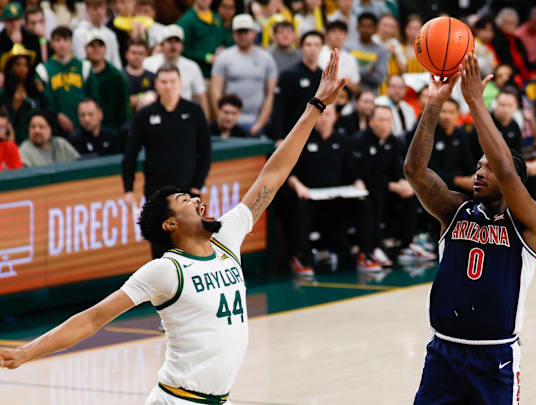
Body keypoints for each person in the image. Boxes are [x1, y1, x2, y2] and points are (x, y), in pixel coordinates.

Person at [0, 50, 349, 405]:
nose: (199, 201)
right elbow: (92, 319)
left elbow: (272, 176)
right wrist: (26, 352)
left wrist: (315, 106)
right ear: (170, 224)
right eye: (186, 201)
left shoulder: (227, 237)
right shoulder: (165, 271)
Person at [405, 54, 536, 404]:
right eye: (477, 166)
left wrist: (476, 103)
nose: (480, 172)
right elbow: (415, 172)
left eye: (488, 168)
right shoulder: (455, 211)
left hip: (494, 359)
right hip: (444, 355)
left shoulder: (527, 223)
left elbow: (508, 171)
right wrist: (434, 105)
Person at [122, 63, 212, 258]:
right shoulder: (145, 115)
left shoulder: (194, 111)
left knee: (192, 246)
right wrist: (128, 189)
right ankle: (163, 289)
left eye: (172, 82)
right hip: (157, 196)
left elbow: (205, 151)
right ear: (156, 84)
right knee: (161, 249)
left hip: (188, 194)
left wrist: (197, 185)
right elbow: (130, 154)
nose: (168, 86)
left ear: (180, 84)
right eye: (163, 82)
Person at [285, 101, 380, 276]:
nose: (323, 119)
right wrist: (298, 187)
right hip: (311, 197)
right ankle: (301, 257)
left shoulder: (344, 142)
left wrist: (358, 182)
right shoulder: (303, 140)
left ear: (335, 118)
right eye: (320, 115)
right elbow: (290, 174)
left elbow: (353, 173)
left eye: (328, 115)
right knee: (300, 206)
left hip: (337, 198)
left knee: (364, 203)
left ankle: (365, 254)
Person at [352, 104, 435, 265]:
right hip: (367, 190)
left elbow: (398, 168)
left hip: (388, 188)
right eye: (381, 120)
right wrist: (392, 186)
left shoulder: (394, 141)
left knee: (411, 196)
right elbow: (364, 175)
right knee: (376, 198)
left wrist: (404, 183)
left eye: (388, 120)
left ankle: (406, 245)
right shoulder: (359, 141)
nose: (385, 125)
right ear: (371, 122)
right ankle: (373, 248)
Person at [211, 14, 278, 135]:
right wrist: (223, 120)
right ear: (233, 34)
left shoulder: (266, 58)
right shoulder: (224, 57)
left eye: (245, 32)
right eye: (238, 32)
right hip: (230, 122)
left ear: (253, 33)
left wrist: (260, 123)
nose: (242, 36)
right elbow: (216, 91)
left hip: (256, 121)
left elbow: (270, 94)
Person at [36, 26, 100, 134]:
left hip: (83, 125)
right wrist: (56, 115)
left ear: (71, 42)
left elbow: (93, 97)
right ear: (51, 44)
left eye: (65, 40)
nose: (61, 44)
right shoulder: (43, 70)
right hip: (55, 127)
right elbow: (44, 102)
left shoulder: (84, 66)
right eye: (57, 40)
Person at [143, 25, 209, 117]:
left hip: (184, 114)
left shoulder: (192, 67)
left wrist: (205, 121)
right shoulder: (148, 63)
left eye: (176, 42)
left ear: (182, 46)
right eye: (169, 41)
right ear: (162, 45)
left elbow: (200, 97)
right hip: (154, 113)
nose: (173, 46)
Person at [270, 31, 323, 141]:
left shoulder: (323, 75)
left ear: (321, 48)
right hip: (291, 132)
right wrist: (278, 137)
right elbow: (279, 107)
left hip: (315, 133)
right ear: (301, 48)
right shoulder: (289, 74)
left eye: (316, 45)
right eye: (308, 45)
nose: (312, 49)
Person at [0, 43, 47, 145]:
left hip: (38, 139)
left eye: (25, 65)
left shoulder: (34, 89)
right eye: (18, 65)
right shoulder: (4, 94)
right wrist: (14, 107)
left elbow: (47, 110)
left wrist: (42, 93)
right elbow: (4, 123)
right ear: (11, 68)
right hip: (17, 142)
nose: (23, 69)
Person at [84, 29, 130, 132]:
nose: (96, 49)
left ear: (105, 49)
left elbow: (123, 108)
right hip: (84, 130)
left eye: (100, 46)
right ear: (85, 49)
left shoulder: (116, 76)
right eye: (92, 46)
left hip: (111, 130)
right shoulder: (80, 72)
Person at [176, 0, 233, 80]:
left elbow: (226, 41)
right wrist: (205, 57)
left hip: (219, 75)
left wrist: (224, 49)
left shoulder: (217, 18)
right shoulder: (185, 21)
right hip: (198, 75)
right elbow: (182, 50)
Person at [72, 0, 122, 70]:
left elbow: (116, 63)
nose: (99, 12)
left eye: (102, 8)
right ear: (87, 9)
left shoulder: (110, 34)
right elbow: (80, 60)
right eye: (95, 8)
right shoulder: (79, 33)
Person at [346, 12, 389, 94]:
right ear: (357, 27)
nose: (365, 29)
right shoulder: (348, 47)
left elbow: (379, 79)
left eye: (369, 26)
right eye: (363, 26)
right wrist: (368, 70)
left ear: (375, 29)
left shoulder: (382, 51)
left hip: (370, 97)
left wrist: (355, 73)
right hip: (349, 95)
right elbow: (345, 73)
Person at [318, 20, 360, 94]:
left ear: (346, 36)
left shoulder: (350, 58)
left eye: (341, 32)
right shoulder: (318, 53)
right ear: (327, 35)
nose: (338, 36)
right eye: (334, 32)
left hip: (343, 97)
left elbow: (356, 87)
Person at [0, 2, 41, 69]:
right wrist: (12, 43)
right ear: (4, 22)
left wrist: (21, 43)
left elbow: (38, 61)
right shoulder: (1, 38)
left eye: (17, 20)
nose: (14, 24)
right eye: (10, 20)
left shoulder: (31, 37)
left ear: (22, 20)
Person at [124, 38, 155, 112]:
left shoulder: (153, 76)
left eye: (141, 53)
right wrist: (143, 96)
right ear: (126, 55)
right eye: (134, 53)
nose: (137, 57)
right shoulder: (120, 76)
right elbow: (122, 102)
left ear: (146, 55)